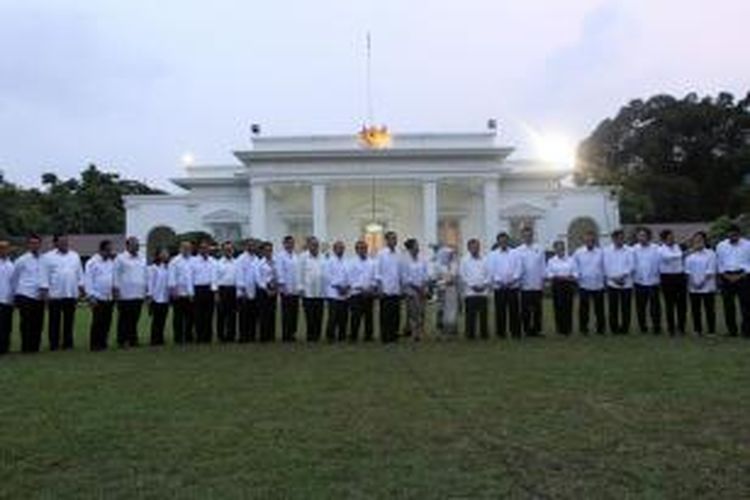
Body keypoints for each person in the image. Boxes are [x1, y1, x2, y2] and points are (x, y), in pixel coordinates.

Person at [40, 234, 84, 350]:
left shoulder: (75, 256)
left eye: (66, 242)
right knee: (54, 321)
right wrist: (45, 293)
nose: (65, 244)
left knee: (69, 321)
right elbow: (44, 276)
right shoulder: (47, 257)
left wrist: (81, 288)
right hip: (55, 294)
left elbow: (79, 273)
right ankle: (54, 344)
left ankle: (68, 344)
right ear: (55, 243)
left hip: (70, 293)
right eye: (62, 242)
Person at [715, 224, 750, 337]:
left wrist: (741, 275)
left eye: (735, 235)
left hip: (744, 277)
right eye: (730, 235)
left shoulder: (748, 245)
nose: (733, 237)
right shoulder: (721, 245)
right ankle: (732, 331)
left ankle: (746, 331)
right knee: (728, 305)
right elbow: (719, 263)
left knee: (746, 305)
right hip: (726, 277)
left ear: (739, 234)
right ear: (727, 234)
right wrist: (726, 275)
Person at [11, 234, 44, 352]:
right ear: (28, 245)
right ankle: (26, 347)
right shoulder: (21, 260)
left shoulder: (44, 259)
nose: (35, 245)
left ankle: (35, 347)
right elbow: (14, 278)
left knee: (38, 322)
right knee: (26, 323)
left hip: (39, 296)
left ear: (40, 244)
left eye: (37, 243)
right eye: (32, 243)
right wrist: (15, 294)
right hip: (25, 294)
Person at [113, 237, 148, 348]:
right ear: (127, 245)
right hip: (125, 294)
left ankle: (133, 339)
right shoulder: (120, 258)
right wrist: (116, 290)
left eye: (137, 244)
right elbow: (116, 275)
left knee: (135, 318)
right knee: (124, 319)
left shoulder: (142, 258)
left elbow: (145, 274)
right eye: (134, 244)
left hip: (138, 293)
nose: (137, 246)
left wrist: (146, 290)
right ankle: (122, 340)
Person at [487, 232, 521, 338]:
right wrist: (499, 281)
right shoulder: (493, 255)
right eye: (501, 241)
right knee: (500, 311)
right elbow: (491, 270)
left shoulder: (515, 253)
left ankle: (515, 332)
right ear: (498, 242)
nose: (503, 242)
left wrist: (513, 280)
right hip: (499, 287)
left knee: (514, 310)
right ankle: (501, 333)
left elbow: (519, 268)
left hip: (513, 286)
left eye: (505, 240)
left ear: (508, 241)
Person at [573, 230, 606, 335]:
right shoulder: (578, 252)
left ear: (594, 240)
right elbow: (575, 267)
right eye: (587, 239)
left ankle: (600, 328)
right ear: (584, 240)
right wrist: (577, 277)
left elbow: (604, 267)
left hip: (598, 284)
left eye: (591, 239)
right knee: (583, 310)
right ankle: (583, 328)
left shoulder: (601, 252)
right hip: (584, 285)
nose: (589, 241)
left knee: (599, 309)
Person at [84, 239, 115, 351]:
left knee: (107, 321)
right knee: (98, 322)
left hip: (109, 296)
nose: (110, 252)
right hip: (97, 296)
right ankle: (95, 344)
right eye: (108, 250)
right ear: (101, 250)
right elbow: (88, 280)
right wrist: (90, 296)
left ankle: (103, 342)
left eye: (110, 250)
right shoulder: (92, 262)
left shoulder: (111, 262)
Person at [684, 231, 717, 336]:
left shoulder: (711, 253)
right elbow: (687, 272)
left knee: (709, 309)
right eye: (696, 239)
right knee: (695, 309)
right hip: (693, 287)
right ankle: (697, 330)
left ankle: (711, 331)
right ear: (693, 241)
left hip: (707, 286)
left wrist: (702, 283)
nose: (698, 241)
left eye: (700, 239)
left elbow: (711, 270)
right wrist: (693, 283)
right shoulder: (689, 256)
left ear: (704, 240)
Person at [515, 227, 545, 337]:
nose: (528, 237)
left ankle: (537, 329)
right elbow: (517, 268)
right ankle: (526, 329)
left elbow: (542, 266)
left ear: (533, 235)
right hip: (524, 284)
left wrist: (543, 280)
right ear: (522, 236)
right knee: (525, 309)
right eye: (525, 235)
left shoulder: (539, 248)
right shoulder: (518, 250)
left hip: (537, 283)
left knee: (538, 309)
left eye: (530, 235)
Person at [603, 229, 635, 335]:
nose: (620, 240)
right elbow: (605, 266)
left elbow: (632, 265)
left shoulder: (630, 250)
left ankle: (625, 328)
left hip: (627, 282)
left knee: (626, 307)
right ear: (613, 239)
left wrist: (623, 276)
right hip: (612, 283)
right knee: (613, 307)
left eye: (622, 238)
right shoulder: (606, 251)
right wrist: (614, 278)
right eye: (618, 238)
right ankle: (614, 328)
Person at [632, 227, 662, 335]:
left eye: (644, 235)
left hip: (653, 281)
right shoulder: (634, 249)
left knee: (655, 307)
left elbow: (660, 263)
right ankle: (643, 327)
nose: (641, 238)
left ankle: (656, 327)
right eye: (639, 235)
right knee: (640, 307)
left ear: (648, 237)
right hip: (639, 282)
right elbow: (632, 264)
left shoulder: (656, 248)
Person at [546, 241, 578, 336]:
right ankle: (560, 328)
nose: (560, 250)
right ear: (555, 249)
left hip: (568, 285)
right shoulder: (551, 261)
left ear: (564, 249)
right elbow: (549, 273)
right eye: (558, 248)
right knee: (558, 306)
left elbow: (576, 273)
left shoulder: (571, 260)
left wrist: (567, 277)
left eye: (562, 248)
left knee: (568, 306)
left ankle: (568, 328)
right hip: (557, 285)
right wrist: (560, 277)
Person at [659, 229, 687, 336]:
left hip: (679, 277)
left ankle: (681, 327)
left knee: (682, 304)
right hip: (667, 278)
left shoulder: (677, 247)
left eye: (672, 237)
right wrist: (682, 254)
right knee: (670, 304)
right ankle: (671, 328)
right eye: (669, 237)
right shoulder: (661, 249)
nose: (672, 239)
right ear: (664, 239)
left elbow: (679, 258)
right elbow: (667, 258)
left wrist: (682, 253)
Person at [376, 231, 403, 343]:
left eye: (395, 238)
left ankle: (394, 335)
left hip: (396, 288)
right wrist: (380, 288)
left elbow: (401, 272)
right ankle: (385, 337)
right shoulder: (381, 254)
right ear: (386, 240)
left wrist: (402, 287)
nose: (394, 241)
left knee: (396, 315)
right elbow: (378, 272)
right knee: (385, 314)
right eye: (392, 238)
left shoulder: (399, 253)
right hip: (385, 289)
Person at [347, 239, 376, 342]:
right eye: (360, 248)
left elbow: (374, 277)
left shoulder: (372, 262)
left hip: (369, 293)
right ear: (356, 250)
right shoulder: (351, 262)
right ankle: (353, 336)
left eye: (364, 248)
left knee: (369, 316)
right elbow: (350, 278)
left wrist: (371, 287)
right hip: (356, 293)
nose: (363, 250)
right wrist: (360, 288)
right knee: (355, 316)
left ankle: (368, 336)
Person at [298, 236, 326, 342]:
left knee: (319, 315)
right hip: (308, 292)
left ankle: (317, 335)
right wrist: (300, 288)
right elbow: (299, 273)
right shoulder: (303, 257)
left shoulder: (323, 257)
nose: (315, 246)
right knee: (309, 315)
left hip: (320, 291)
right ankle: (310, 336)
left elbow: (324, 273)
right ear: (308, 245)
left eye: (316, 245)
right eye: (313, 244)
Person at [460, 239, 489, 340]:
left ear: (479, 247)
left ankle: (484, 334)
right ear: (468, 248)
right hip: (470, 292)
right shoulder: (464, 260)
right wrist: (472, 285)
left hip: (483, 291)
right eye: (473, 247)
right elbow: (463, 276)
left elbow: (489, 274)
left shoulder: (485, 259)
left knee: (483, 315)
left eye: (477, 247)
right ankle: (470, 334)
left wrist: (484, 285)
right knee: (470, 315)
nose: (475, 249)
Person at [191, 240, 218, 343]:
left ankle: (207, 337)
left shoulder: (213, 261)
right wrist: (191, 292)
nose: (204, 250)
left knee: (209, 314)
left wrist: (215, 292)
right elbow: (190, 277)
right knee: (198, 315)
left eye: (206, 248)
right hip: (198, 289)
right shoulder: (194, 261)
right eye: (202, 248)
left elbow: (214, 277)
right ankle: (199, 336)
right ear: (199, 249)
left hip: (209, 289)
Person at [402, 238, 429, 342]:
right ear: (410, 247)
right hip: (411, 290)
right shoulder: (405, 260)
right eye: (416, 245)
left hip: (422, 289)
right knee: (413, 312)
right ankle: (414, 333)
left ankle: (421, 332)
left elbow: (425, 273)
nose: (418, 247)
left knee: (422, 312)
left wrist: (423, 285)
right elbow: (405, 277)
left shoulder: (422, 259)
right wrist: (417, 288)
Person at [168, 241, 194, 344]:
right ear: (180, 248)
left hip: (190, 293)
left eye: (188, 248)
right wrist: (173, 291)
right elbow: (171, 276)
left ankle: (188, 336)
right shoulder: (175, 261)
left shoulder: (193, 260)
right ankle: (178, 338)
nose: (187, 250)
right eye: (184, 248)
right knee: (178, 317)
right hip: (178, 293)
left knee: (190, 317)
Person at [324, 240, 350, 342]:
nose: (341, 249)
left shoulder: (347, 261)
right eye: (338, 248)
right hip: (333, 292)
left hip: (345, 293)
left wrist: (347, 286)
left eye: (342, 248)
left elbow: (349, 275)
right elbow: (328, 276)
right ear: (334, 249)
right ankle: (330, 336)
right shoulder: (329, 261)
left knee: (343, 316)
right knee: (333, 317)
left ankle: (342, 336)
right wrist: (339, 287)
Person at [276, 235, 300, 342]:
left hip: (294, 289)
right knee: (286, 313)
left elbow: (298, 272)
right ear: (284, 244)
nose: (291, 244)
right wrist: (282, 286)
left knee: (294, 312)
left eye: (292, 243)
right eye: (289, 243)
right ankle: (286, 334)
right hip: (285, 289)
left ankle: (292, 333)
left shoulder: (295, 256)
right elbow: (279, 272)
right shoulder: (280, 256)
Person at [236, 239, 259, 343]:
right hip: (244, 291)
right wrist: (242, 289)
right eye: (250, 245)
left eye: (253, 246)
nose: (252, 247)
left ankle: (251, 335)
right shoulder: (241, 259)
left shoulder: (256, 258)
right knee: (244, 316)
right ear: (246, 247)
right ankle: (243, 336)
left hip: (254, 291)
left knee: (253, 315)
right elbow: (239, 275)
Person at [435, 246, 460, 338]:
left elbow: (456, 276)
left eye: (451, 254)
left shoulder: (454, 265)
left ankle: (452, 329)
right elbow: (437, 278)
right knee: (442, 309)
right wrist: (445, 281)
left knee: (452, 309)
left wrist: (451, 280)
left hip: (452, 290)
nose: (450, 256)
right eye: (448, 254)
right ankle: (442, 329)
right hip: (442, 290)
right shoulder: (439, 265)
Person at [216, 241, 239, 342]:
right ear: (223, 251)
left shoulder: (236, 262)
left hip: (233, 290)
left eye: (230, 249)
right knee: (221, 314)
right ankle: (221, 336)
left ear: (233, 250)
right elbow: (215, 279)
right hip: (222, 290)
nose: (228, 251)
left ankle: (231, 335)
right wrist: (216, 293)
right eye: (226, 249)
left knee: (232, 314)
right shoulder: (218, 263)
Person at [147, 248, 170, 346]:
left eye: (166, 253)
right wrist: (150, 296)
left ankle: (160, 338)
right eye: (163, 253)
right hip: (156, 297)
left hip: (165, 297)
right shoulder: (153, 268)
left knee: (163, 319)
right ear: (158, 255)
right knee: (156, 319)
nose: (166, 255)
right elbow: (150, 283)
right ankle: (154, 339)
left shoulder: (166, 267)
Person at [256, 241, 278, 342]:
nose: (269, 252)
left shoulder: (274, 261)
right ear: (263, 251)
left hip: (273, 289)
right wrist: (267, 289)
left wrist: (275, 288)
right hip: (263, 290)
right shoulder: (259, 263)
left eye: (270, 250)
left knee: (272, 313)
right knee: (263, 314)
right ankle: (264, 336)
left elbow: (277, 275)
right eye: (267, 250)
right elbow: (258, 279)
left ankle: (271, 335)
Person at [0, 241, 14, 355]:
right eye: (1, 248)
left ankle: (5, 348)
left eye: (6, 248)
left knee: (7, 325)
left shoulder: (11, 264)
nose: (4, 250)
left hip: (8, 300)